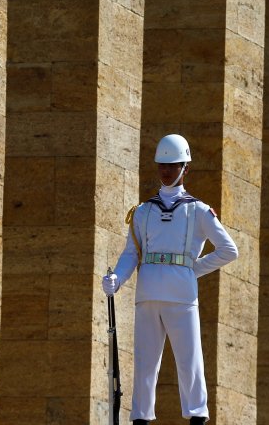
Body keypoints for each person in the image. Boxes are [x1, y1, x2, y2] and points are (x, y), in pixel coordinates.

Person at [102, 134, 239, 424]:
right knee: (145, 361)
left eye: (173, 165)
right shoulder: (142, 211)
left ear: (185, 168)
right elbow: (131, 254)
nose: (166, 171)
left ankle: (197, 416)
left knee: (189, 360)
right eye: (162, 165)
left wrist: (192, 270)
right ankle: (140, 417)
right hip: (148, 292)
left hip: (181, 294)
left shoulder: (199, 210)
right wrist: (117, 277)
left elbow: (229, 250)